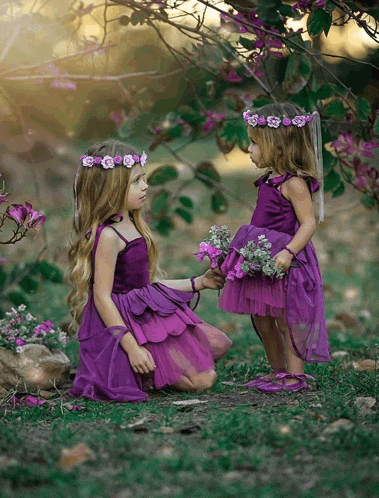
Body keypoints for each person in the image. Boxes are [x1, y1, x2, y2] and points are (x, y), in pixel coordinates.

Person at [67, 140, 232, 403]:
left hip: (145, 311)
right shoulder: (108, 236)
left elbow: (147, 287)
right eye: (136, 181)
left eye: (143, 178)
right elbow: (102, 297)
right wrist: (131, 346)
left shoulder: (133, 222)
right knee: (203, 380)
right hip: (125, 321)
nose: (145, 186)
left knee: (219, 344)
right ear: (111, 188)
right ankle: (141, 366)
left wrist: (199, 281)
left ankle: (159, 362)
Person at [218, 102, 330, 393]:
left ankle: (295, 376)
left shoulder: (294, 184)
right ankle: (278, 371)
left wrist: (289, 251)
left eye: (254, 143)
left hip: (284, 261)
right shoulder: (268, 179)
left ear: (278, 146)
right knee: (262, 319)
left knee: (285, 320)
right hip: (261, 259)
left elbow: (308, 223)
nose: (250, 149)